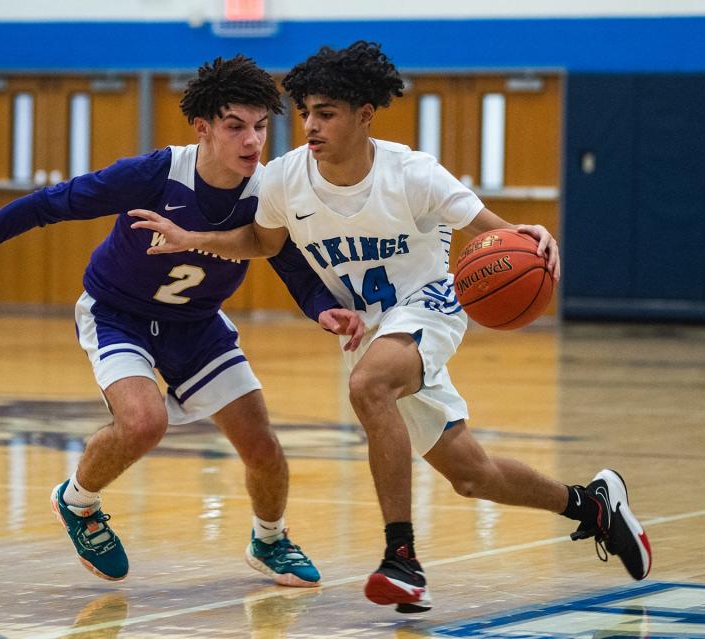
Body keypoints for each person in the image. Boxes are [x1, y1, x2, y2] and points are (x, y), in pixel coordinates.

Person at [129, 41, 652, 612]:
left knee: (367, 386)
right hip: (371, 330)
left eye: (325, 113)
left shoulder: (412, 174)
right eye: (305, 111)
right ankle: (592, 505)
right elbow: (264, 241)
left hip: (430, 306)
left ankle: (401, 559)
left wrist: (532, 237)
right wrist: (197, 239)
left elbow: (492, 233)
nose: (310, 124)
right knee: (472, 475)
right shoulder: (284, 180)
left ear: (364, 115)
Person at [0, 55, 364, 587]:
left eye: (260, 127)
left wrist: (319, 308)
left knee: (261, 444)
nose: (252, 141)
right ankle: (77, 503)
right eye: (236, 127)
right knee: (144, 423)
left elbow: (288, 263)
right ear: (204, 127)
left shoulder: (267, 192)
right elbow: (49, 203)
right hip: (118, 313)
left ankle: (271, 540)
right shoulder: (155, 174)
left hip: (197, 323)